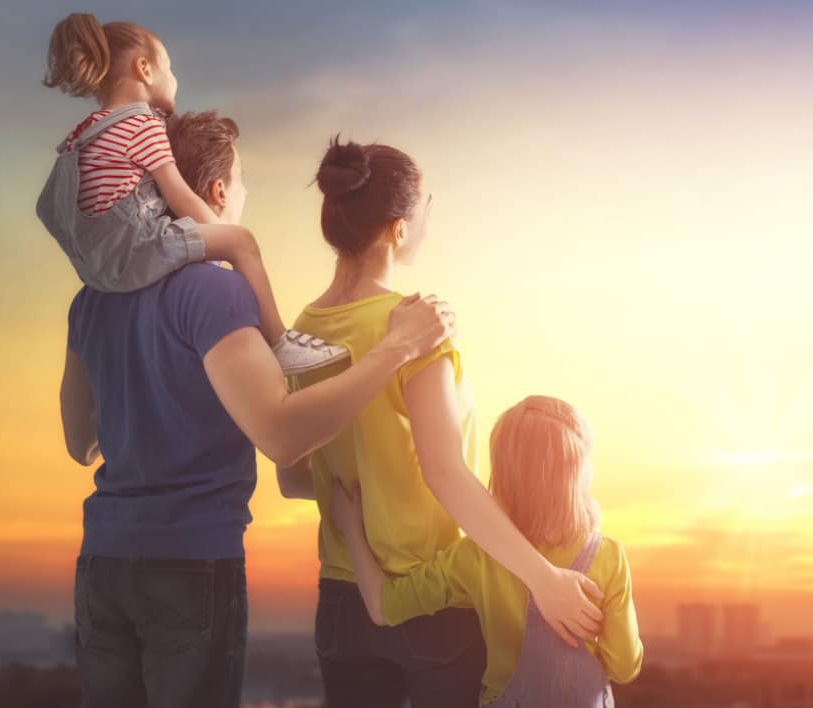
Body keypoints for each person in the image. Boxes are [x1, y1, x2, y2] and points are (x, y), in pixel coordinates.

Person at [59, 109, 458, 708]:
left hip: (102, 565)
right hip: (191, 563)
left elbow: (78, 440)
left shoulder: (91, 301)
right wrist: (395, 349)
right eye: (241, 182)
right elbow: (281, 437)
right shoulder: (214, 291)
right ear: (217, 191)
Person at [276, 139, 605, 708]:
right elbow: (445, 475)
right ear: (398, 229)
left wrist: (364, 499)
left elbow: (295, 478)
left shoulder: (302, 330)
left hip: (341, 601)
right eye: (427, 206)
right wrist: (543, 579)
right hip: (429, 604)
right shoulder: (416, 327)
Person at [38, 12, 345, 374]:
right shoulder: (141, 123)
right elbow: (179, 194)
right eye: (170, 68)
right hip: (134, 251)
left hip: (93, 266)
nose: (174, 79)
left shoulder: (82, 136)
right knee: (241, 242)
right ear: (145, 70)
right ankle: (279, 342)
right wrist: (218, 238)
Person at [332, 396, 644, 707]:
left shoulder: (475, 556)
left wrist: (351, 529)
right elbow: (624, 667)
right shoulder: (608, 557)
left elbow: (381, 607)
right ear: (577, 473)